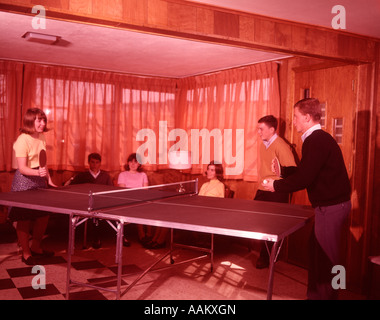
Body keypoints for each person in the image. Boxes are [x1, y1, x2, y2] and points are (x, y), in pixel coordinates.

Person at [262, 98, 351, 300]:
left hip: (332, 207)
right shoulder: (316, 139)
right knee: (316, 252)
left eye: (296, 117)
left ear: (307, 117)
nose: (293, 121)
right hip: (329, 207)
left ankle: (332, 296)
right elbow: (308, 170)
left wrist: (275, 185)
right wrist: (283, 171)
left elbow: (305, 178)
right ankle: (316, 296)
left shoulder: (316, 140)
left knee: (330, 258)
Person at [9, 108, 57, 265]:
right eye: (39, 120)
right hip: (24, 181)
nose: (42, 123)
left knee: (44, 215)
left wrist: (48, 180)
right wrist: (39, 174)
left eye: (44, 120)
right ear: (30, 121)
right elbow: (22, 168)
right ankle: (26, 252)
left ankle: (36, 246)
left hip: (39, 180)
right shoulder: (22, 140)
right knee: (24, 218)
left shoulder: (42, 137)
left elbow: (43, 162)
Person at [254, 115, 297, 269]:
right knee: (259, 223)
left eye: (261, 129)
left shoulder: (281, 145)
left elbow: (292, 172)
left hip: (276, 191)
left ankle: (267, 258)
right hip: (262, 189)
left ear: (272, 130)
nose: (258, 132)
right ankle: (265, 255)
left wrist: (277, 184)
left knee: (272, 226)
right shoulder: (262, 145)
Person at [66, 152, 113, 248]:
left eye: (97, 162)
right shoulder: (82, 176)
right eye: (92, 162)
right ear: (88, 163)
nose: (94, 165)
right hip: (84, 203)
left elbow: (111, 192)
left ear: (100, 163)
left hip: (101, 204)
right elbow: (72, 188)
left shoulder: (106, 176)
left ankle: (96, 238)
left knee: (97, 213)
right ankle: (92, 238)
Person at [117, 153, 152, 247]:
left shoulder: (143, 174)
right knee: (138, 208)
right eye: (131, 161)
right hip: (127, 200)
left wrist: (141, 198)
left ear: (139, 164)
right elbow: (123, 191)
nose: (133, 164)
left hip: (141, 199)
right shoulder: (122, 174)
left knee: (148, 207)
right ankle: (142, 236)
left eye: (135, 162)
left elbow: (146, 190)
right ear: (128, 163)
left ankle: (149, 235)